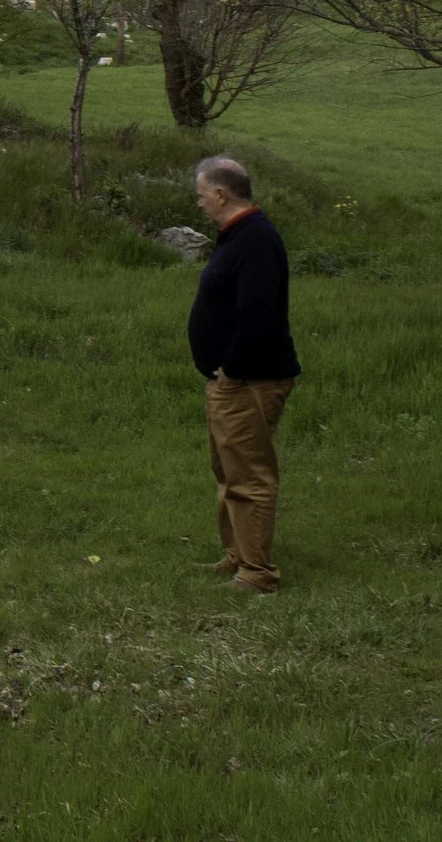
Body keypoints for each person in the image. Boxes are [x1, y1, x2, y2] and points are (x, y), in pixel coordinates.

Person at [187, 156, 301, 593]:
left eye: (202, 196)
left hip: (250, 380)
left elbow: (260, 317)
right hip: (232, 381)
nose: (200, 205)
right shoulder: (238, 235)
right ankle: (238, 555)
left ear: (221, 194)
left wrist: (231, 369)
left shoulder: (256, 241)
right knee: (228, 470)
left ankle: (257, 573)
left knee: (249, 475)